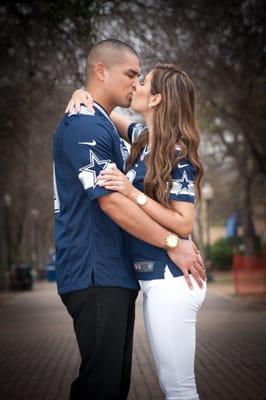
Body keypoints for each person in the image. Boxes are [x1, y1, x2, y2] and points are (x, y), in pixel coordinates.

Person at [54, 38, 205, 400]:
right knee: (107, 386)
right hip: (106, 272)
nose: (135, 84)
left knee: (169, 387)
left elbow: (182, 223)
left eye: (142, 80)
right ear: (102, 71)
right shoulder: (136, 138)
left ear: (156, 99)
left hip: (167, 277)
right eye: (132, 75)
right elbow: (112, 202)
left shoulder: (170, 149)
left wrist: (172, 239)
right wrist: (82, 92)